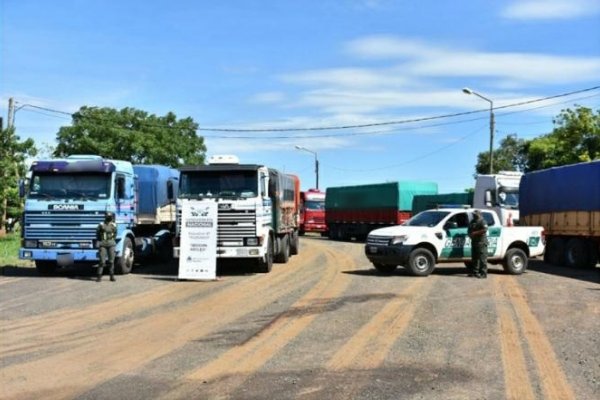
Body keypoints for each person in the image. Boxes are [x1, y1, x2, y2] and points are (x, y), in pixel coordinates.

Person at [96, 212, 117, 282]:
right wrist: (100, 241)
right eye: (108, 216)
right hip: (103, 244)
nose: (109, 217)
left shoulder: (113, 225)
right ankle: (99, 276)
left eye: (110, 216)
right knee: (102, 261)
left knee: (111, 261)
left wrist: (112, 241)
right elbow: (97, 234)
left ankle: (112, 276)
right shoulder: (101, 225)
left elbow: (115, 234)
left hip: (111, 244)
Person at [468, 209, 488, 279]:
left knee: (482, 258)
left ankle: (483, 273)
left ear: (479, 214)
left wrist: (475, 233)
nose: (473, 215)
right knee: (474, 258)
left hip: (481, 242)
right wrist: (469, 234)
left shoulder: (482, 221)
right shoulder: (472, 221)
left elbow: (484, 230)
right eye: (473, 214)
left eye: (475, 214)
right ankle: (475, 272)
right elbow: (469, 229)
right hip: (474, 242)